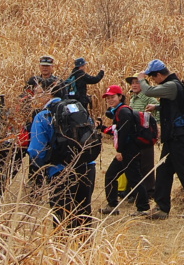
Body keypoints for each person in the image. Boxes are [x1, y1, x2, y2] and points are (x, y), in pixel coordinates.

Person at [138, 59, 184, 219]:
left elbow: (148, 92)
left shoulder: (171, 85)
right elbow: (177, 106)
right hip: (173, 136)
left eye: (153, 78)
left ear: (159, 75)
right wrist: (157, 107)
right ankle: (162, 208)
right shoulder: (174, 84)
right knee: (163, 171)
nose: (153, 81)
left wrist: (141, 79)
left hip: (178, 137)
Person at [27, 87, 96, 229]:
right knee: (83, 214)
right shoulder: (78, 110)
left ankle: (62, 249)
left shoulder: (43, 116)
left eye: (38, 92)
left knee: (62, 218)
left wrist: (45, 166)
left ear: (49, 93)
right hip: (87, 166)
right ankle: (84, 249)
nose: (35, 96)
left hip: (60, 170)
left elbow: (35, 151)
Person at [99, 85, 150, 215]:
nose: (110, 100)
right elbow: (117, 131)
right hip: (129, 150)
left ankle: (142, 208)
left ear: (120, 97)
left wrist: (120, 150)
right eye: (108, 98)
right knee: (116, 175)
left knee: (132, 178)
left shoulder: (123, 112)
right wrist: (102, 127)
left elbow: (125, 133)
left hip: (129, 151)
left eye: (113, 97)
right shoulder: (120, 111)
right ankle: (113, 205)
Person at [126, 74, 158, 200]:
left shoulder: (147, 97)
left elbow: (158, 109)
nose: (134, 85)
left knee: (146, 164)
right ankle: (136, 191)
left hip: (145, 135)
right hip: (135, 135)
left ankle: (150, 191)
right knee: (136, 164)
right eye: (132, 83)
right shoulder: (133, 99)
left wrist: (155, 127)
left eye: (137, 82)